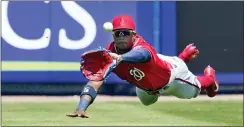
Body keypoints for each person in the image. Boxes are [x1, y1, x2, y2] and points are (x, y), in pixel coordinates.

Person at [66, 15, 219, 118]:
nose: (121, 37)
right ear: (112, 35)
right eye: (117, 34)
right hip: (147, 85)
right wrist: (81, 107)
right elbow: (95, 81)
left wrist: (120, 58)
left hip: (172, 77)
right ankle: (181, 58)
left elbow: (143, 55)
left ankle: (209, 77)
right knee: (146, 102)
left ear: (134, 34)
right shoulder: (110, 54)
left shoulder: (141, 47)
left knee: (193, 91)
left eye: (125, 33)